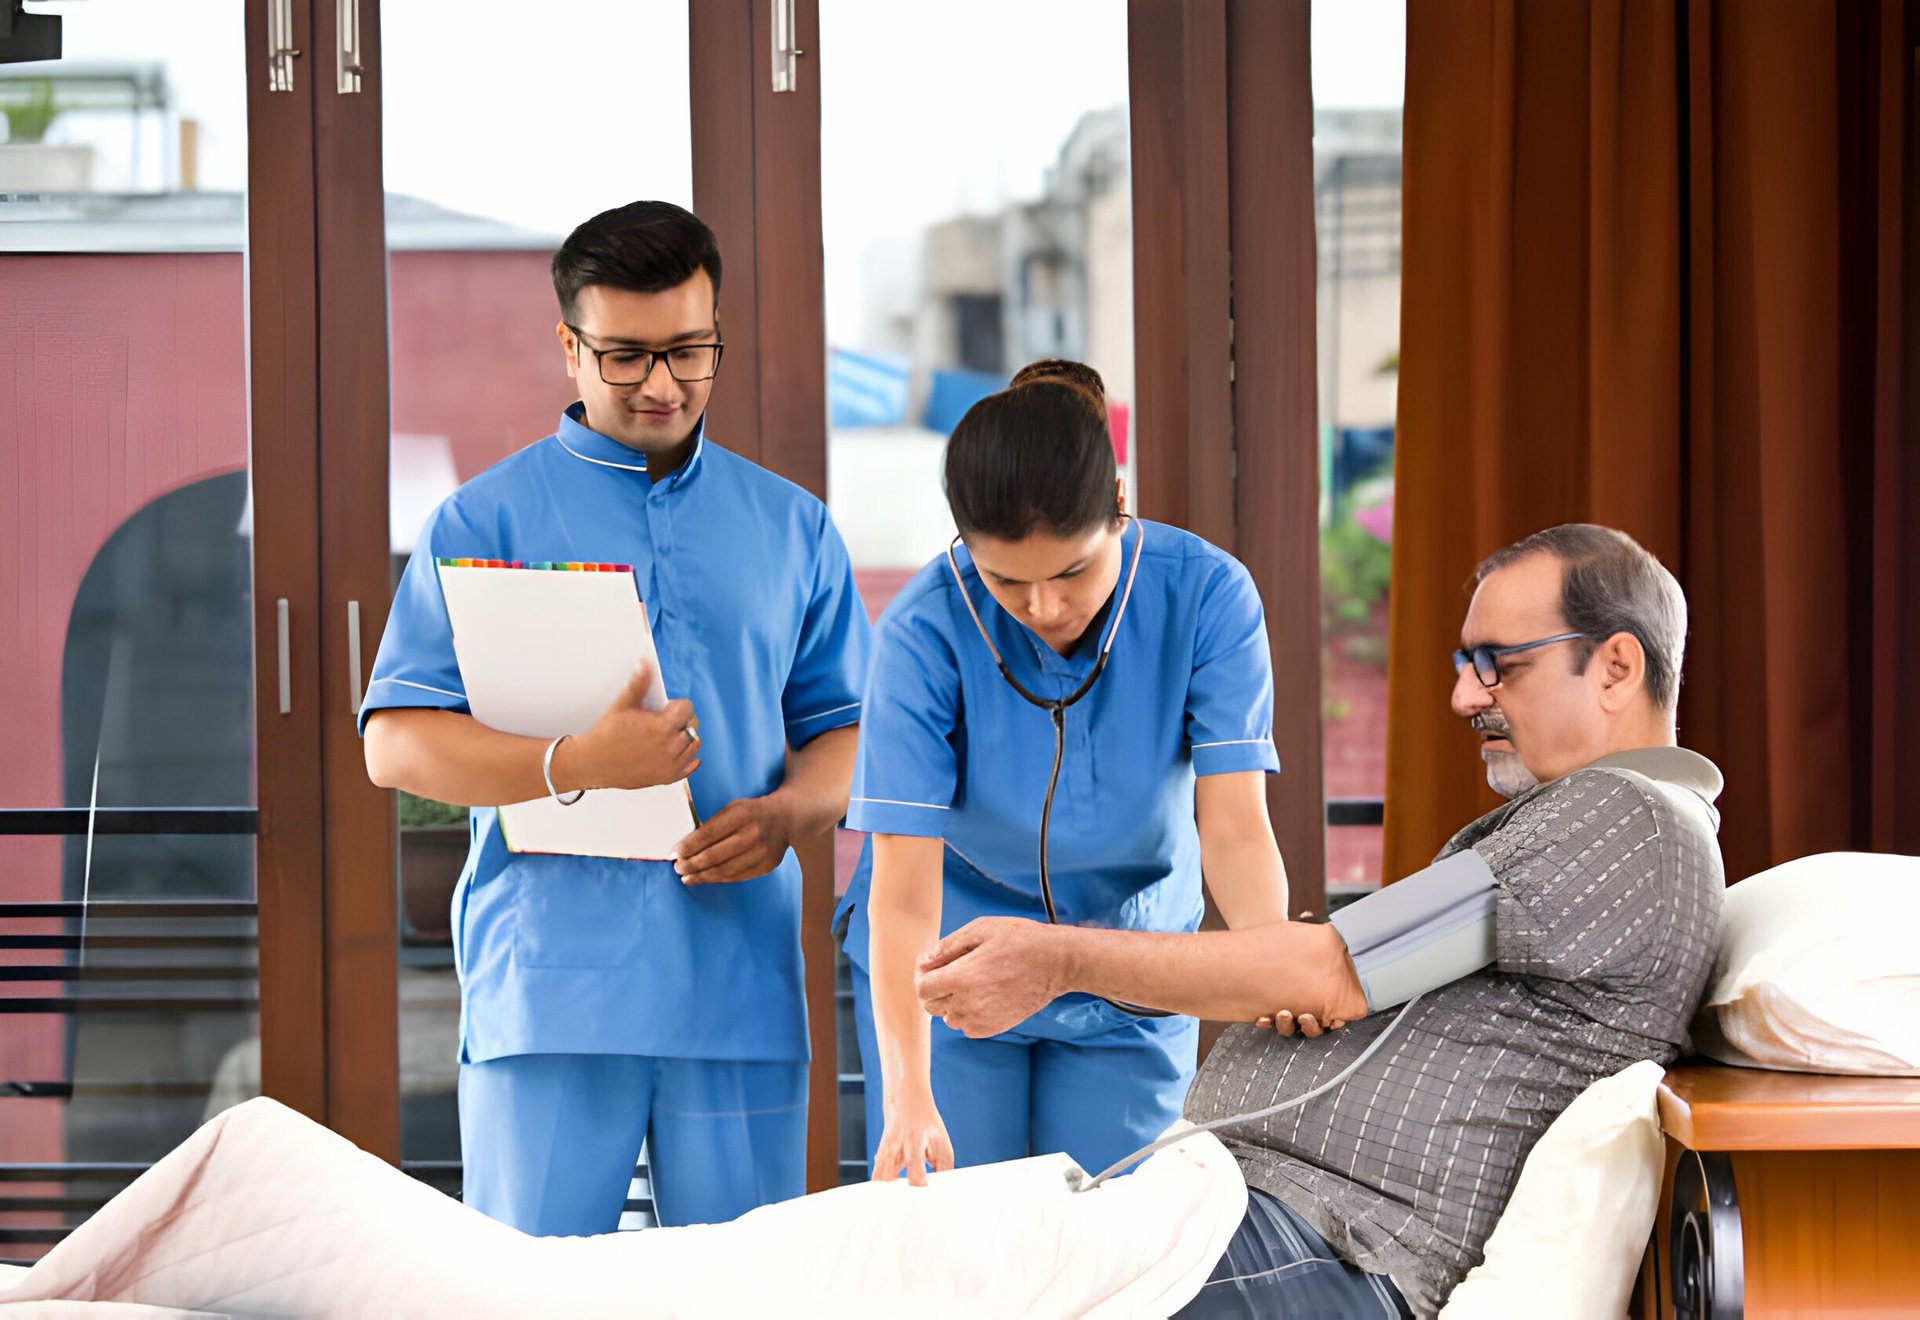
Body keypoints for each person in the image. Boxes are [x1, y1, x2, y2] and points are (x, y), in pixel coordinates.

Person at [912, 523, 1725, 1317]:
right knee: (896, 1262)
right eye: (1464, 663)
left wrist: (1057, 960)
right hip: (1267, 1215)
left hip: (1332, 1245)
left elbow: (1331, 970)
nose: (1464, 695)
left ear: (1617, 665)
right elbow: (1346, 968)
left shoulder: (1631, 819)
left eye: (1497, 665)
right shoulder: (1590, 830)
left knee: (924, 1285)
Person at [360, 201, 871, 1236]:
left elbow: (853, 731)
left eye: (689, 351)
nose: (661, 384)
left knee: (746, 1303)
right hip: (548, 985)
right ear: (569, 348)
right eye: (627, 356)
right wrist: (572, 760)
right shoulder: (482, 520)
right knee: (529, 1302)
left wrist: (791, 813)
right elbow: (395, 743)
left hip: (738, 976)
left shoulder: (793, 527)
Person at [838, 363, 1294, 1186]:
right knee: (966, 1248)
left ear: (1118, 506)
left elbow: (1234, 824)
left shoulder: (1208, 596)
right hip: (952, 966)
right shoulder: (923, 628)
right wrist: (909, 1092)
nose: (1043, 608)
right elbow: (904, 889)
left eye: (1072, 572)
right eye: (1007, 581)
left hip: (1132, 966)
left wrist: (1272, 973)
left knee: (1112, 1242)